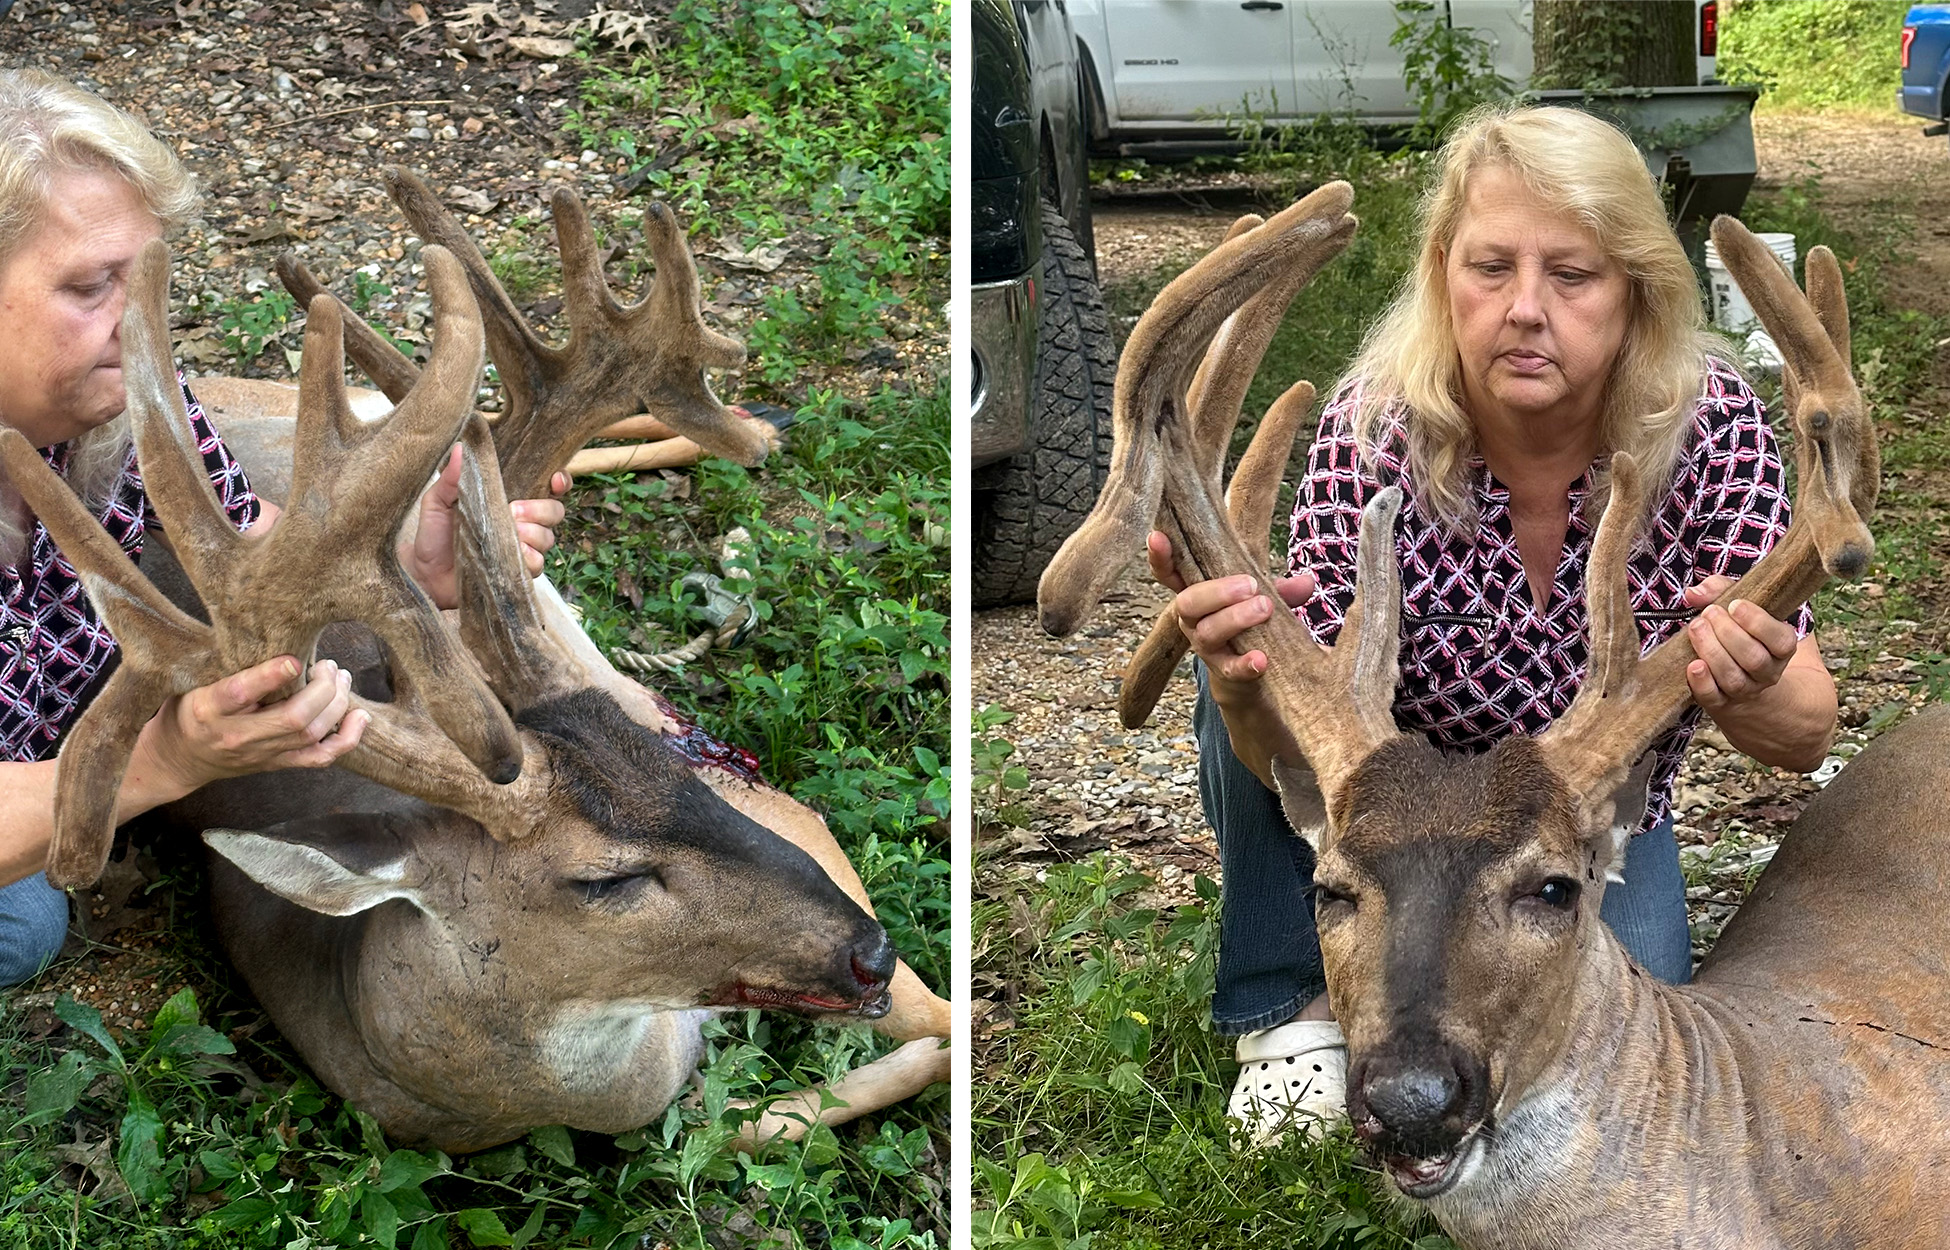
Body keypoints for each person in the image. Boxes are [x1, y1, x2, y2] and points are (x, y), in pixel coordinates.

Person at [1149, 104, 1837, 1145]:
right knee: (1243, 647)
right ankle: (1287, 1008)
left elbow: (1806, 733)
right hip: (1396, 805)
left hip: (1575, 821)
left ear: (1636, 292)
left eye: (1573, 275)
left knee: (1625, 1039)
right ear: (1443, 278)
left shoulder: (1714, 430)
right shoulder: (1377, 427)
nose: (1525, 308)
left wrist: (1755, 676)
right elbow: (1296, 753)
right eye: (1490, 267)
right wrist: (1246, 684)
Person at [0, 70, 568, 986]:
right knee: (21, 928)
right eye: (91, 288)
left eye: (144, 285)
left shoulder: (133, 402)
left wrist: (415, 566)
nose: (135, 326)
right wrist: (162, 761)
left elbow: (248, 538)